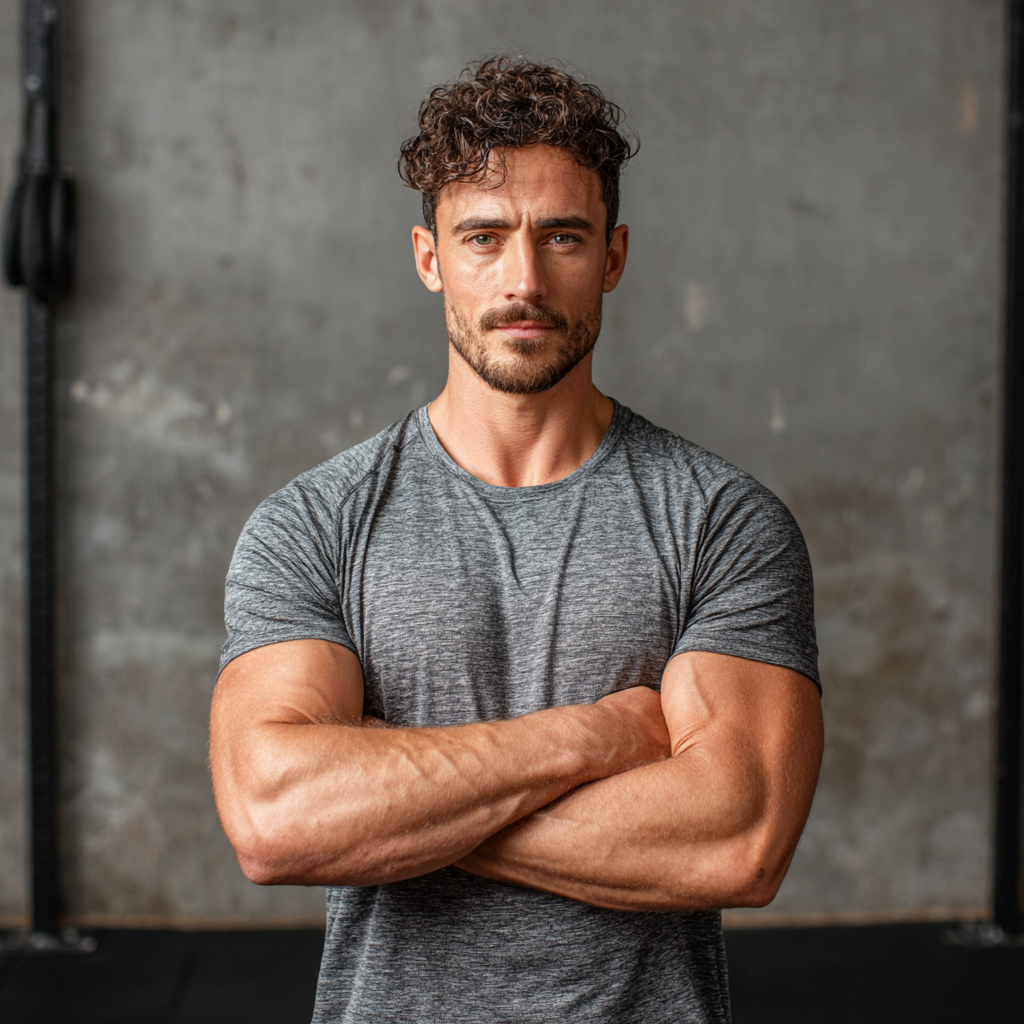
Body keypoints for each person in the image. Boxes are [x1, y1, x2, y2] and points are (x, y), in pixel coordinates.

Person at [209, 57, 823, 1024]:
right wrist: (601, 735)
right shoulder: (313, 526)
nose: (524, 280)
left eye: (563, 237)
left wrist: (390, 795)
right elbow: (277, 820)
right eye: (484, 238)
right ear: (429, 258)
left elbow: (735, 840)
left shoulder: (722, 521)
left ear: (614, 257)